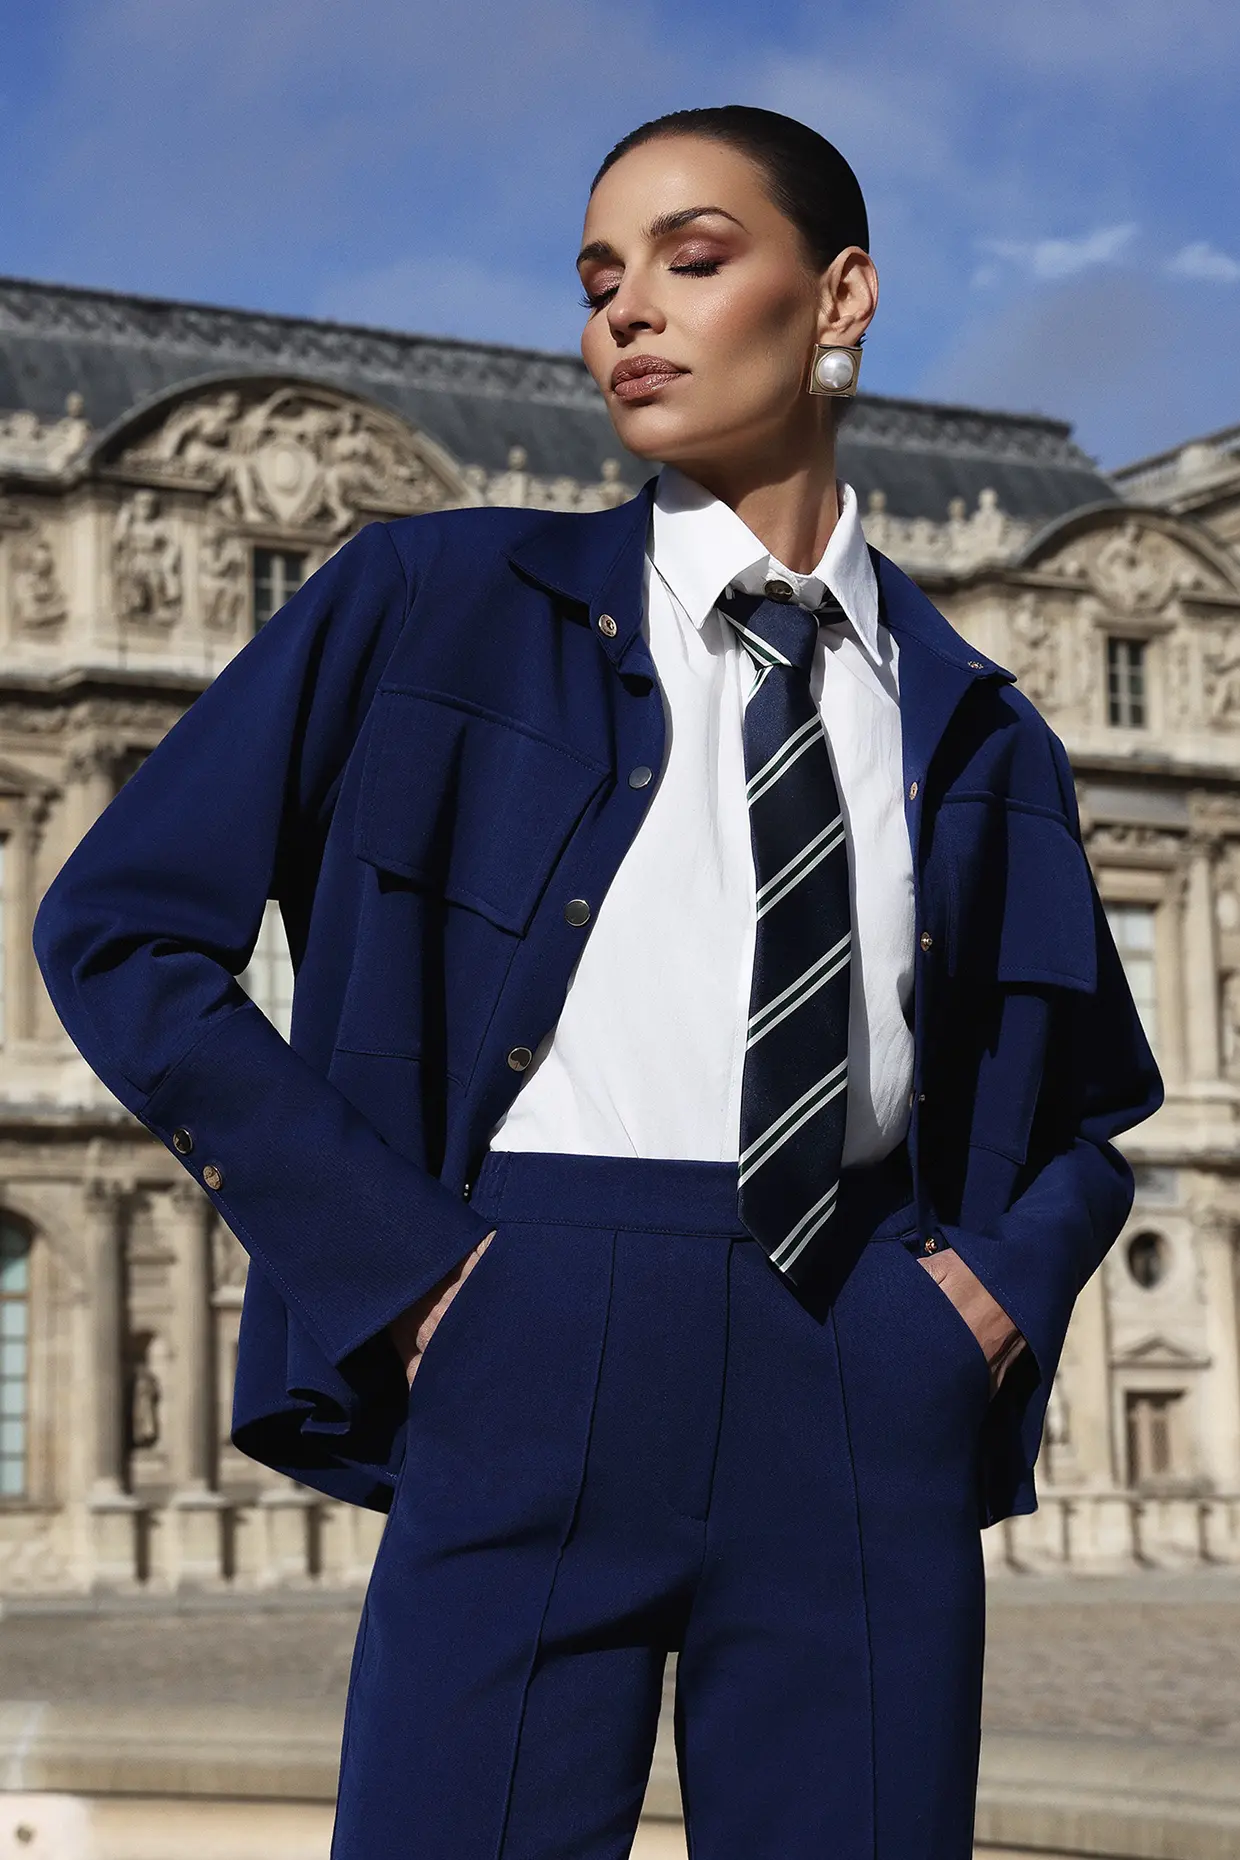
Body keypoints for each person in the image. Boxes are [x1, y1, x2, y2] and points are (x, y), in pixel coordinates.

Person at [33, 105, 1163, 1860]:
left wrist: (984, 1306)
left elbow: (1092, 1113)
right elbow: (117, 930)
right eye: (596, 277)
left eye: (691, 260)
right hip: (524, 1320)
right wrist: (403, 1268)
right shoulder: (430, 598)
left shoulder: (976, 720)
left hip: (869, 1355)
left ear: (839, 297)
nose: (625, 310)